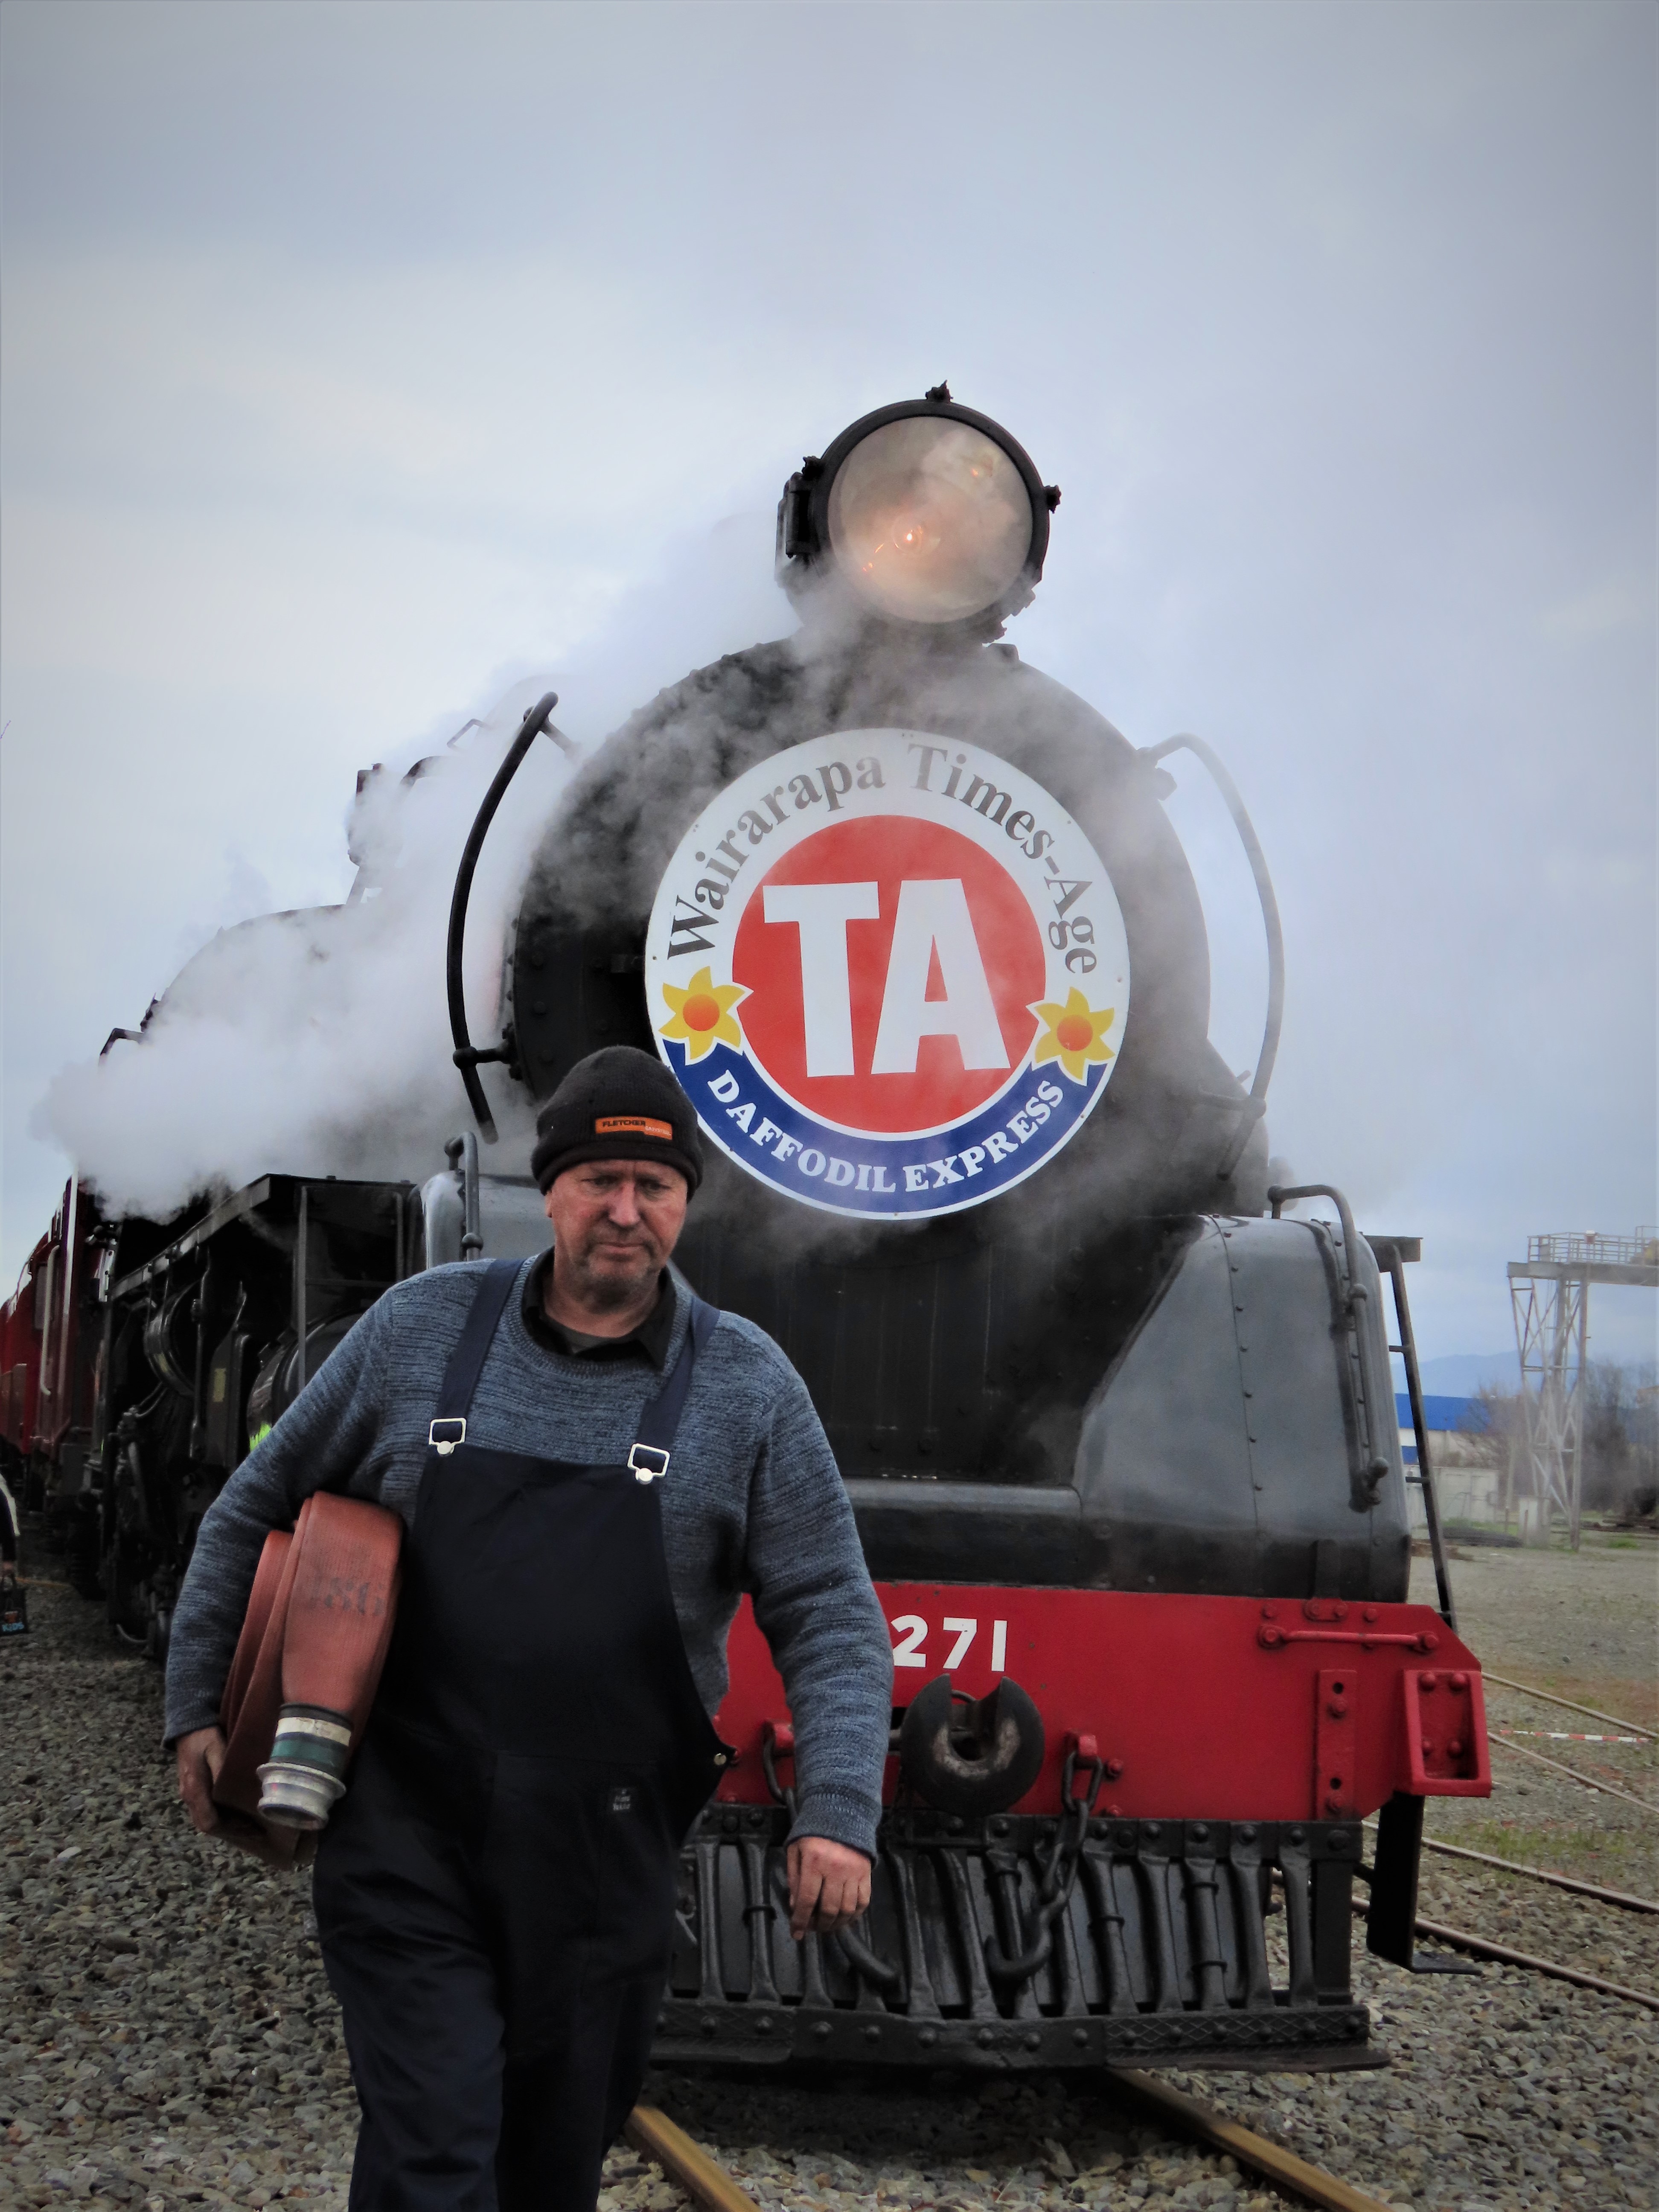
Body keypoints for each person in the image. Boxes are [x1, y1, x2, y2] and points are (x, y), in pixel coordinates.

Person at [164, 1046, 894, 2212]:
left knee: (550, 2170)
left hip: (605, 1862)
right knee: (436, 2148)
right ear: (548, 1192)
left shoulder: (749, 1387)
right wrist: (196, 1705)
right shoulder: (420, 1329)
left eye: (655, 1187)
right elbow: (254, 1503)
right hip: (408, 1832)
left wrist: (840, 1812)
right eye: (599, 1181)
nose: (626, 1211)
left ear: (686, 1204)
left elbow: (832, 1614)